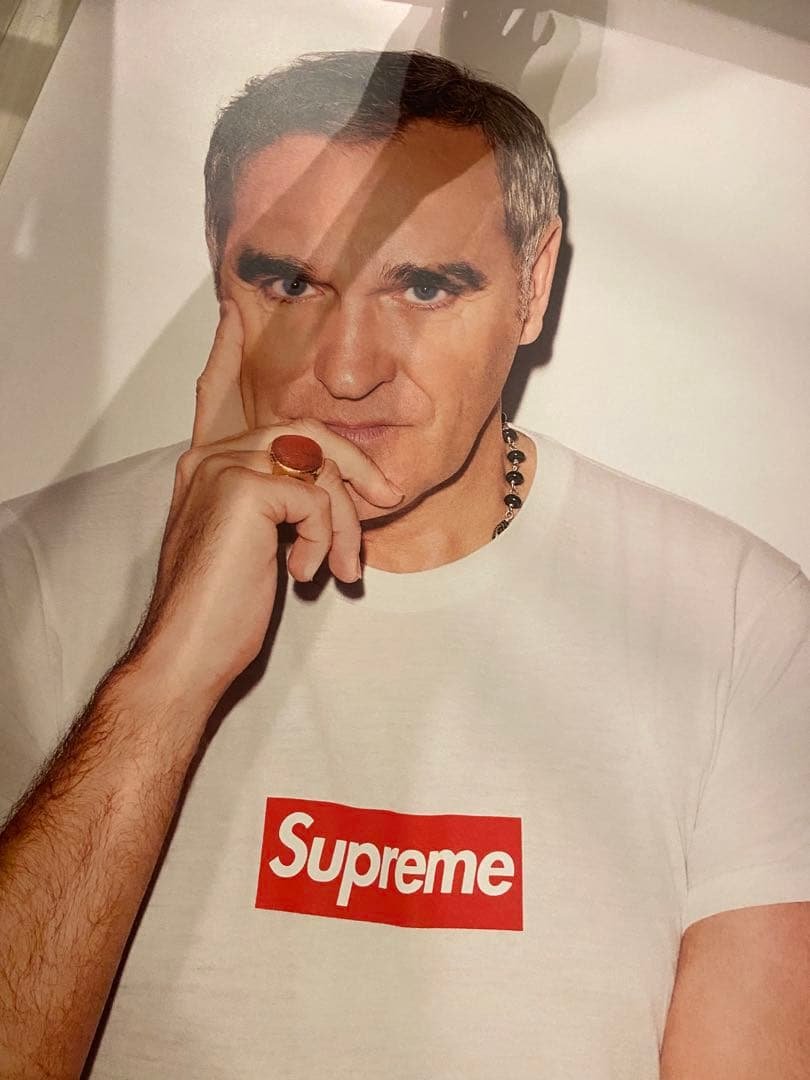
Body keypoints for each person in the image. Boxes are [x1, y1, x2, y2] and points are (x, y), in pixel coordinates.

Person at [0, 49, 808, 1080]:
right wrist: (162, 680)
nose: (346, 369)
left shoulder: (731, 619)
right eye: (290, 281)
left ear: (534, 284)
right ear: (217, 263)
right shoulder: (28, 570)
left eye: (423, 286)